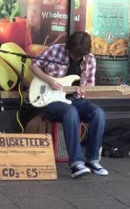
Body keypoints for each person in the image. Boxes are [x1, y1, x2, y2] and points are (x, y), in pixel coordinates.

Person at [29, 31, 108, 178]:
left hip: (75, 99)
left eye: (78, 56)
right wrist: (49, 80)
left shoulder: (90, 59)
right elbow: (33, 66)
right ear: (68, 47)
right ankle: (76, 163)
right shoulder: (55, 50)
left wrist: (83, 91)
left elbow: (90, 85)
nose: (74, 57)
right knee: (70, 112)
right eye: (72, 53)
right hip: (51, 100)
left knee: (99, 113)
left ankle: (92, 160)